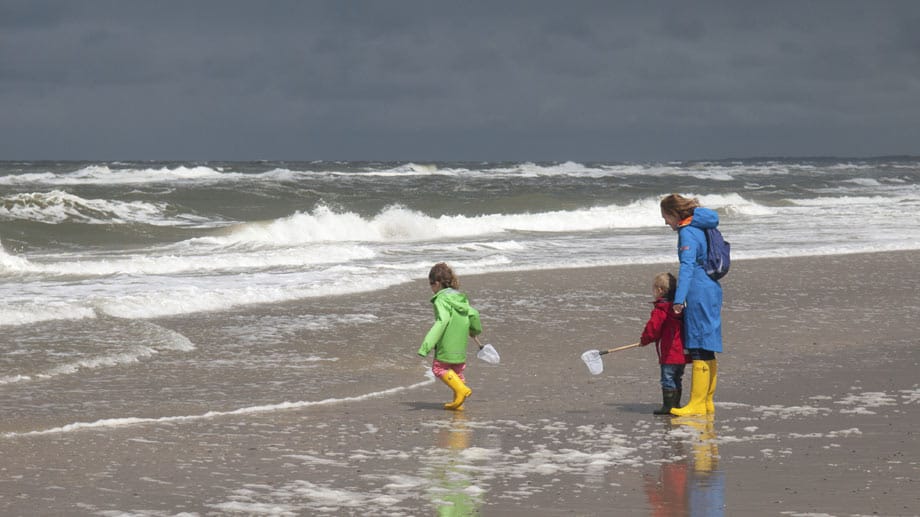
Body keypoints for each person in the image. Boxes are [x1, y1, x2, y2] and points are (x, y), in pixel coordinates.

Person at [659, 194, 723, 416]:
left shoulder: (687, 232)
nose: (665, 222)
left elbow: (687, 267)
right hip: (712, 288)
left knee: (697, 346)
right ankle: (706, 402)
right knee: (708, 347)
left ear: (675, 214)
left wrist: (678, 300)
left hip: (698, 291)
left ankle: (696, 403)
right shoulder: (700, 227)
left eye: (666, 216)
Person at [417, 262, 482, 411]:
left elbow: (442, 321)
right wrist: (474, 330)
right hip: (460, 345)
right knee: (457, 371)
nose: (431, 288)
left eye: (431, 284)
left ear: (438, 283)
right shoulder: (460, 298)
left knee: (438, 368)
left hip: (447, 343)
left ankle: (461, 391)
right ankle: (459, 404)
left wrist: (426, 345)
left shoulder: (441, 299)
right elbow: (474, 314)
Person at [640, 272, 690, 415]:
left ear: (660, 290)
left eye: (654, 290)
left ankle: (668, 407)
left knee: (667, 378)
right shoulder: (680, 308)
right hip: (682, 351)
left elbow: (653, 328)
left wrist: (645, 340)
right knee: (677, 377)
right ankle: (676, 405)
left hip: (670, 351)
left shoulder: (661, 309)